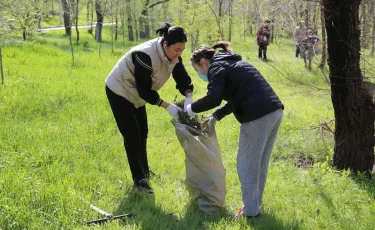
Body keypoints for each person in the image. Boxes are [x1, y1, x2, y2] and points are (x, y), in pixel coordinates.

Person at [185, 41, 284, 219]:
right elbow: (236, 98)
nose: (200, 74)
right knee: (259, 165)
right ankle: (253, 207)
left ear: (203, 63)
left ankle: (251, 214)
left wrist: (190, 109)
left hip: (257, 116)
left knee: (246, 165)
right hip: (274, 112)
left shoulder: (216, 68)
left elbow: (213, 98)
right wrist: (216, 116)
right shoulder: (230, 63)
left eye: (197, 70)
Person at [105, 22, 194, 195]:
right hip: (119, 90)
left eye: (182, 50)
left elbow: (182, 78)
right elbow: (145, 90)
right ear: (165, 44)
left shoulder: (173, 55)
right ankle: (139, 181)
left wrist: (189, 97)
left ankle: (145, 171)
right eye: (177, 50)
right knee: (132, 135)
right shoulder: (145, 55)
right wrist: (168, 107)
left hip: (137, 95)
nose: (179, 55)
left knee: (143, 132)